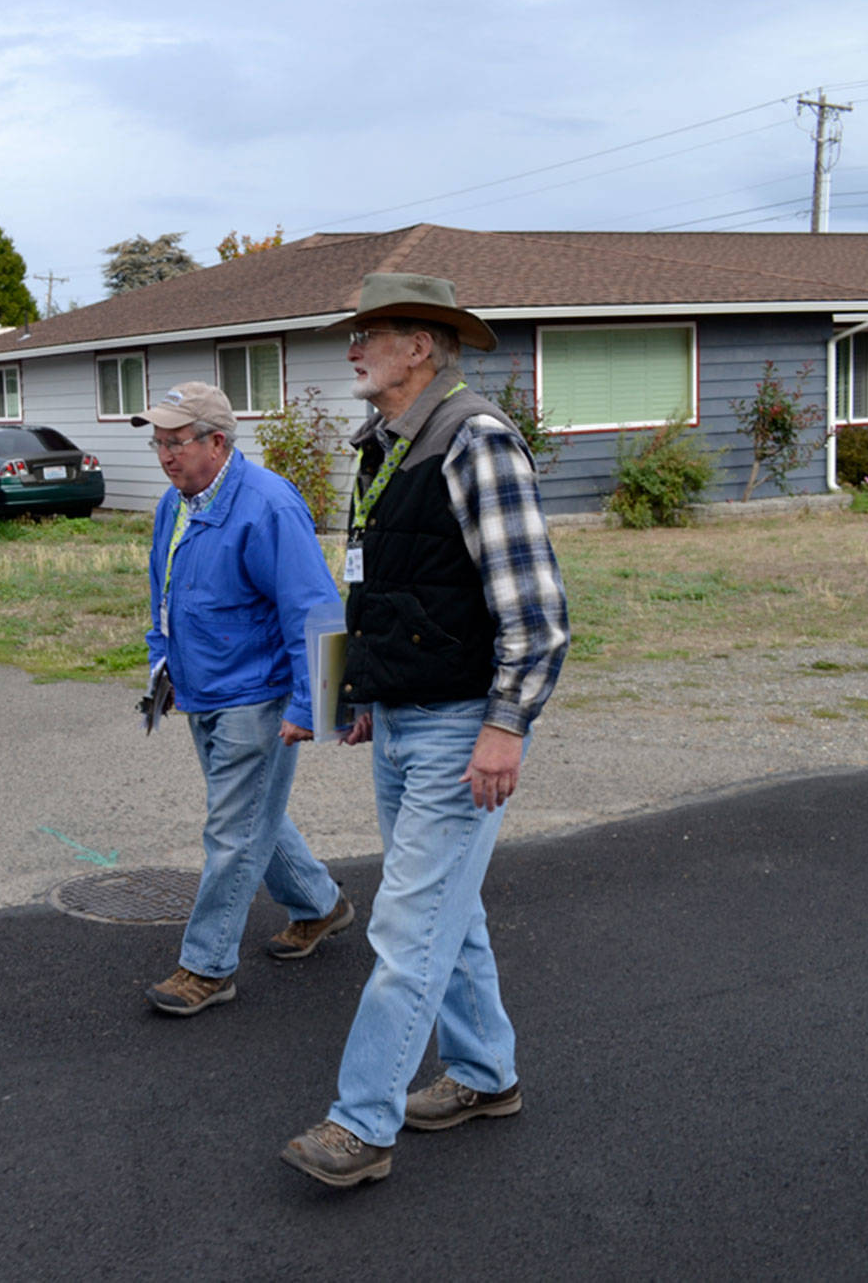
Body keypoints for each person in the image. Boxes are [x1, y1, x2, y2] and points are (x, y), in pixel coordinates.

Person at [279, 273, 570, 1187]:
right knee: (451, 911)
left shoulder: (474, 439)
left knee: (407, 927)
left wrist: (505, 727)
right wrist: (364, 692)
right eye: (355, 331)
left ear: (421, 348)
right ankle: (486, 1075)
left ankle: (360, 1124)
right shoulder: (384, 447)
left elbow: (538, 612)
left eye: (371, 333)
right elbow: (397, 592)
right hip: (404, 720)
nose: (354, 347)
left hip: (459, 732)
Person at [134, 381, 353, 1017]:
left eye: (176, 442)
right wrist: (161, 665)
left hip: (257, 698)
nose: (165, 455)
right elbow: (165, 593)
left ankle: (206, 966)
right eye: (159, 443)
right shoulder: (175, 505)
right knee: (256, 812)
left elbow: (317, 610)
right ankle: (319, 906)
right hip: (202, 689)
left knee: (231, 830)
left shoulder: (267, 506)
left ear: (217, 443)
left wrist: (316, 708)